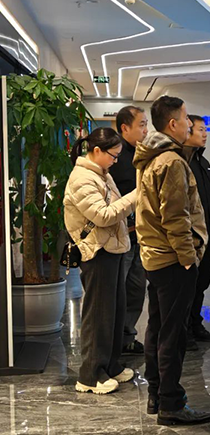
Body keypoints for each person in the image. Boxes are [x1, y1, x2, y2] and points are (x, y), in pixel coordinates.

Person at [133, 96, 210, 426]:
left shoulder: (150, 157)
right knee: (173, 334)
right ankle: (171, 403)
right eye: (186, 118)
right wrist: (187, 258)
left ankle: (156, 394)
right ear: (172, 124)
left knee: (158, 327)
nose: (190, 124)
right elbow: (175, 216)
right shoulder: (171, 161)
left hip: (155, 256)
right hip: (172, 259)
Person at [64, 127, 137, 395]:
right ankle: (91, 375)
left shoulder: (101, 173)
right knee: (98, 314)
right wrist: (136, 195)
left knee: (114, 312)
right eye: (113, 155)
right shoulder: (82, 178)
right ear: (97, 151)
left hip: (112, 248)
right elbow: (103, 216)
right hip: (96, 251)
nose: (116, 161)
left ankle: (110, 365)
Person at [109, 105, 148, 355]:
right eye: (141, 125)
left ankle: (127, 336)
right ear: (125, 128)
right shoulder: (114, 158)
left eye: (146, 125)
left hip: (141, 235)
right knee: (117, 291)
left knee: (136, 289)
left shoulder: (142, 154)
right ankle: (112, 342)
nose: (146, 130)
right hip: (120, 235)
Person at [184, 115, 210, 350]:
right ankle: (185, 331)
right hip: (191, 238)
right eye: (201, 129)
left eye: (206, 129)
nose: (205, 133)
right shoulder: (183, 162)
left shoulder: (203, 161)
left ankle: (196, 324)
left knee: (202, 283)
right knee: (188, 286)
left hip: (208, 235)